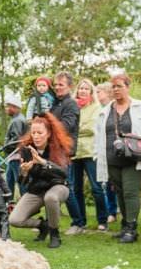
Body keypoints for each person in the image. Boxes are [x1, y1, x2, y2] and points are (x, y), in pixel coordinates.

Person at [95, 73, 141, 243]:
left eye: (119, 86)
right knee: (120, 193)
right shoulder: (106, 110)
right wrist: (97, 154)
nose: (116, 89)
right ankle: (125, 225)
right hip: (112, 158)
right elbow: (99, 134)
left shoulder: (140, 106)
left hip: (133, 158)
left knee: (130, 192)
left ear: (127, 87)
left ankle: (132, 228)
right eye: (113, 86)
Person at [9, 113, 72, 248]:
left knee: (51, 197)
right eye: (33, 133)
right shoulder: (26, 150)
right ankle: (43, 226)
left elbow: (63, 173)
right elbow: (22, 182)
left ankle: (55, 234)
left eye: (40, 133)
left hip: (59, 187)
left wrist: (43, 162)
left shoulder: (58, 147)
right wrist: (24, 172)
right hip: (37, 189)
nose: (36, 136)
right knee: (14, 220)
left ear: (48, 133)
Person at [72, 78, 108, 231]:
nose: (83, 91)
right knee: (76, 188)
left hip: (90, 151)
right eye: (81, 88)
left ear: (91, 92)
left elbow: (93, 128)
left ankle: (103, 220)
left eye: (86, 89)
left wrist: (75, 129)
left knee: (97, 187)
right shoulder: (73, 106)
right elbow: (67, 126)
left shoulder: (96, 107)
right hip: (74, 153)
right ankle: (81, 221)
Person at [50, 71, 83, 235]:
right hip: (54, 150)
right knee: (53, 184)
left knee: (66, 185)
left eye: (61, 84)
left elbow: (67, 126)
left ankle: (78, 223)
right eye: (55, 84)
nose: (57, 87)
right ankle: (50, 223)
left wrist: (48, 126)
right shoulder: (56, 104)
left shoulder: (71, 104)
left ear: (69, 86)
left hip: (64, 151)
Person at [96, 81, 118, 223]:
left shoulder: (114, 108)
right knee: (106, 183)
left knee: (113, 183)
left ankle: (114, 210)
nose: (96, 94)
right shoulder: (99, 109)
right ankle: (111, 211)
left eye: (99, 92)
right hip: (103, 150)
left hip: (114, 149)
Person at [4, 92, 28, 199]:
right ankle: (9, 203)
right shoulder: (18, 119)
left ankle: (26, 205)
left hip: (16, 155)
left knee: (20, 181)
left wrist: (6, 146)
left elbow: (16, 139)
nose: (6, 109)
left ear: (14, 107)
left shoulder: (17, 121)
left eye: (8, 106)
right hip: (13, 156)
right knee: (9, 180)